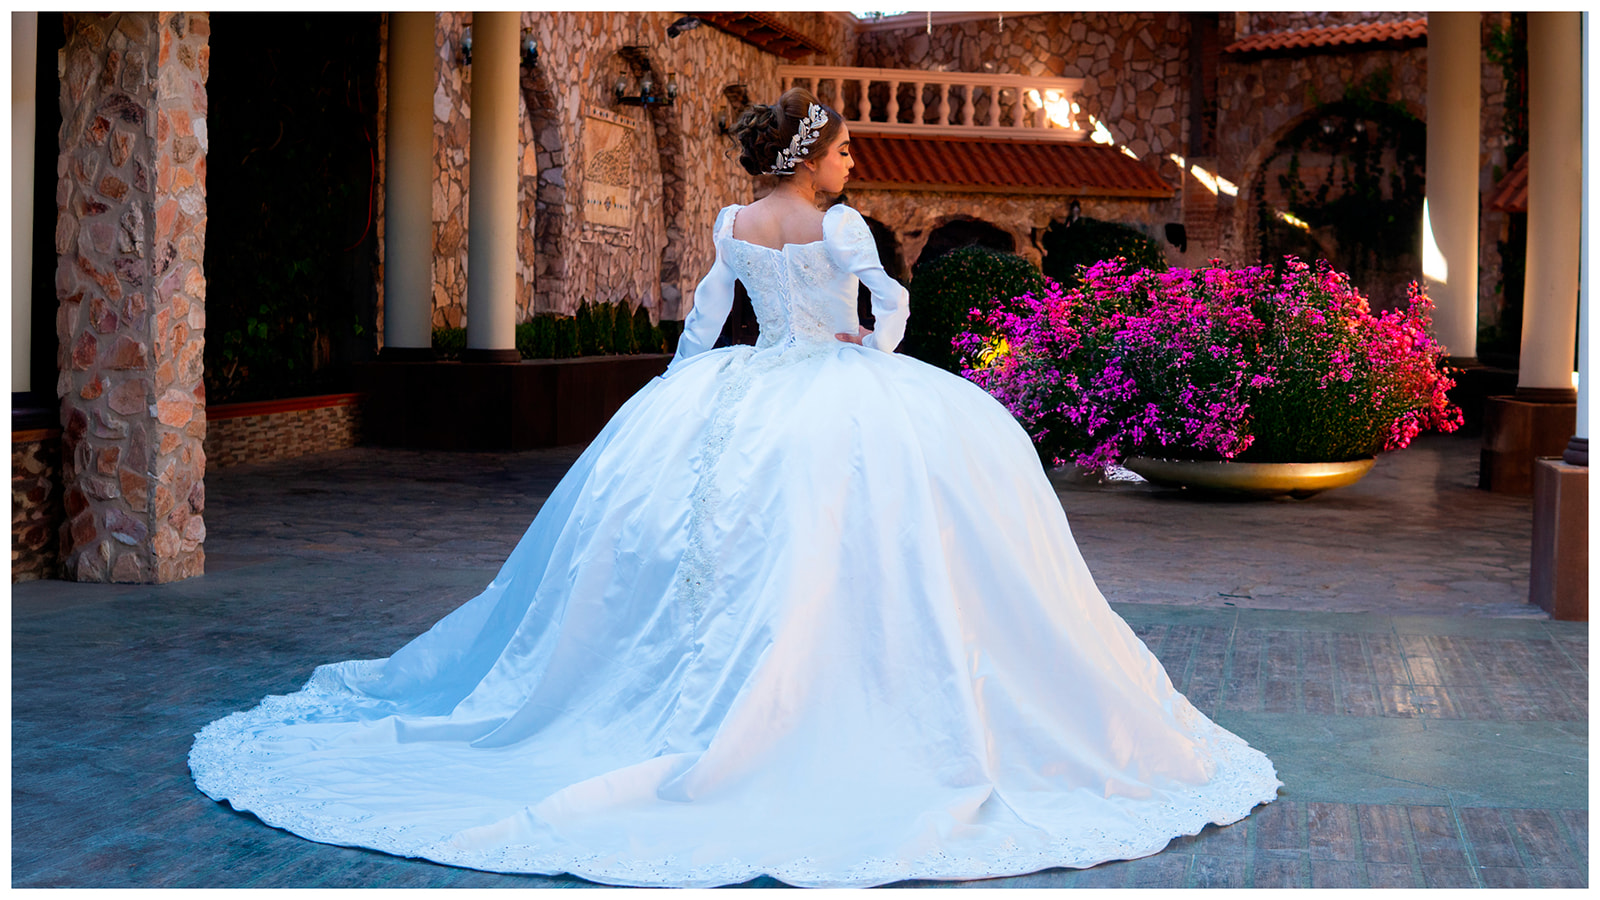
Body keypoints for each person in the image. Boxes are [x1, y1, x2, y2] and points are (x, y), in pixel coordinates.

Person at [190, 88, 1280, 888]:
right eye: (847, 147)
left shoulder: (732, 223)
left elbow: (710, 319)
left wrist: (674, 401)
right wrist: (868, 341)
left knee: (731, 549)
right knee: (859, 538)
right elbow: (885, 305)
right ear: (813, 158)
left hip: (740, 384)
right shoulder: (840, 224)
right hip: (832, 381)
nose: (854, 161)